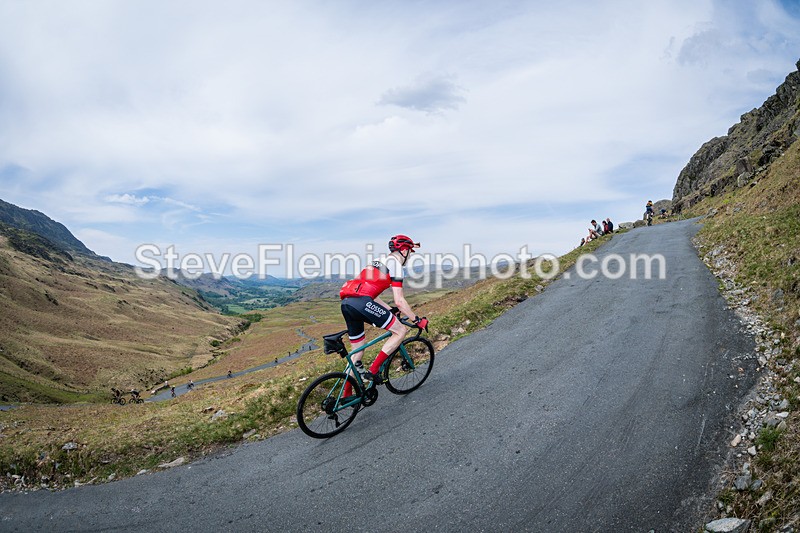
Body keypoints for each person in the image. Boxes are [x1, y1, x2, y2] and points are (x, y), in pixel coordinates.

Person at [338, 235, 428, 397]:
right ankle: (373, 371)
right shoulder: (396, 265)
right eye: (411, 252)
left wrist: (388, 309)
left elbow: (367, 290)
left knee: (357, 353)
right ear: (405, 250)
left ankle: (347, 395)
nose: (410, 256)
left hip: (347, 303)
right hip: (362, 303)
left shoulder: (377, 261)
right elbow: (400, 300)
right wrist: (417, 320)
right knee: (400, 331)